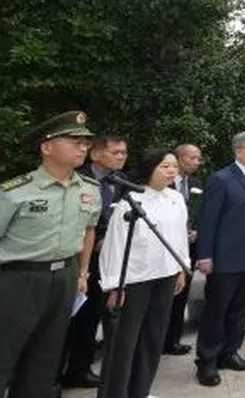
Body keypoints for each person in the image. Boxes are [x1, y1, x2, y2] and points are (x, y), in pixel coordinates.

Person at [0, 111, 100, 398]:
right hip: (16, 281)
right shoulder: (13, 192)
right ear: (47, 147)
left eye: (86, 142)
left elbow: (88, 231)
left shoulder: (89, 189)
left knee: (44, 363)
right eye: (74, 140)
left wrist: (82, 272)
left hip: (64, 277)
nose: (83, 147)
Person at [97, 149, 190, 398]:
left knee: (152, 338)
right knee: (124, 343)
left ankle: (140, 390)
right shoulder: (131, 200)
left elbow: (180, 236)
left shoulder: (176, 198)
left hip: (166, 275)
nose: (171, 170)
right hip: (135, 280)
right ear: (150, 169)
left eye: (174, 166)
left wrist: (181, 267)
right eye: (165, 166)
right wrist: (114, 286)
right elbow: (114, 246)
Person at [194, 131, 245, 387]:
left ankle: (230, 353)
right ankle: (206, 361)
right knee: (216, 311)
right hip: (226, 258)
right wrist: (205, 255)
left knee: (241, 309)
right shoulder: (221, 179)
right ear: (238, 151)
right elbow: (208, 220)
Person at [62, 133, 128, 390]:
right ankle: (62, 371)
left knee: (99, 313)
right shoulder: (79, 180)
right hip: (84, 256)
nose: (121, 157)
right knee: (79, 316)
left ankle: (81, 367)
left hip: (112, 258)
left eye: (124, 152)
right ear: (95, 154)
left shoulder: (123, 180)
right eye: (115, 152)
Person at [165, 143, 203, 356]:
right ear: (179, 158)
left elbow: (201, 212)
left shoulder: (197, 183)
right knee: (165, 295)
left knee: (181, 294)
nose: (197, 162)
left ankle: (173, 338)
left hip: (189, 248)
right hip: (167, 248)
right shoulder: (164, 183)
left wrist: (197, 231)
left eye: (199, 158)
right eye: (193, 158)